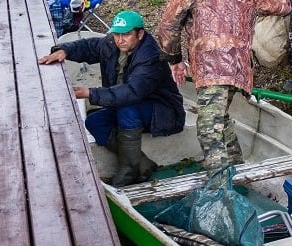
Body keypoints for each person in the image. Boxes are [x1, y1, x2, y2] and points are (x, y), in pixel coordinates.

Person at [155, 0, 292, 171]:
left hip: (209, 65)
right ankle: (235, 163)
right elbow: (272, 2)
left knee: (208, 127)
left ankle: (220, 186)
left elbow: (169, 24)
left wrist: (174, 59)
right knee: (219, 115)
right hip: (238, 66)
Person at [38, 10, 185, 186]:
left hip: (163, 112)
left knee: (126, 109)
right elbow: (90, 46)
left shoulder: (151, 56)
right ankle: (143, 164)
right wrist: (65, 50)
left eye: (126, 34)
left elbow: (132, 92)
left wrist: (90, 93)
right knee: (94, 121)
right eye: (116, 34)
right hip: (130, 107)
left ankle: (129, 170)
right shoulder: (112, 44)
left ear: (140, 34)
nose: (120, 39)